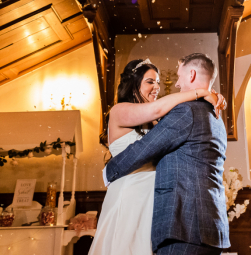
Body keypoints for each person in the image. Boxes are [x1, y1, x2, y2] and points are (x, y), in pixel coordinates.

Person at [89, 58, 225, 254]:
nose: (157, 87)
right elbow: (158, 108)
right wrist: (202, 92)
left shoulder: (157, 120)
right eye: (150, 82)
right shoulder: (119, 111)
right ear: (134, 83)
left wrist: (212, 97)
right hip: (131, 194)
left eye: (158, 82)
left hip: (155, 200)